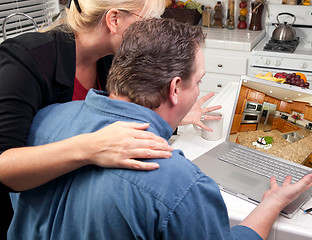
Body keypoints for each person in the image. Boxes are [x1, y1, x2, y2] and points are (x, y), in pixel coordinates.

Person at [8, 18, 312, 240]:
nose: (198, 90)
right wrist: (272, 202)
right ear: (174, 89)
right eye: (198, 82)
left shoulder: (44, 121)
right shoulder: (180, 184)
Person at [0, 0, 220, 237]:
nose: (153, 31)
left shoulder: (109, 58)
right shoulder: (25, 61)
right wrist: (92, 146)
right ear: (114, 19)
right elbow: (4, 166)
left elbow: (120, 110)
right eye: (147, 21)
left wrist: (176, 115)